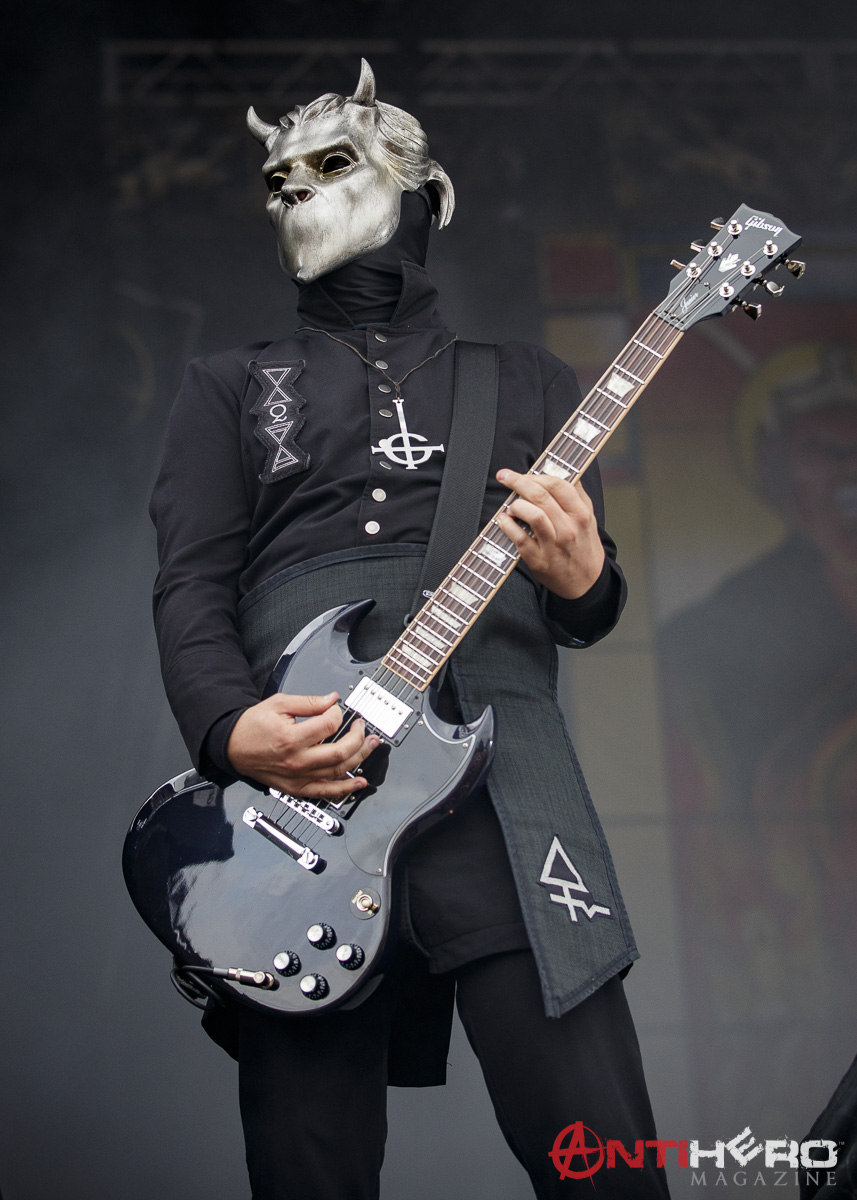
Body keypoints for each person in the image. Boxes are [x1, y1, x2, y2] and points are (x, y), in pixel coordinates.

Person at [149, 59, 670, 1199]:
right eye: (277, 179)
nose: (294, 191)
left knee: (598, 1148)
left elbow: (586, 601)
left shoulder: (528, 381)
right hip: (301, 799)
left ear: (421, 188)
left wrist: (585, 577)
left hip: (507, 781)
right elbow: (189, 585)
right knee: (308, 1161)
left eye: (329, 164)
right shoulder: (229, 385)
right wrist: (229, 729)